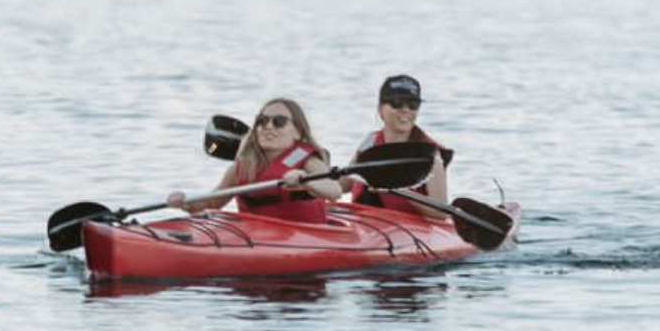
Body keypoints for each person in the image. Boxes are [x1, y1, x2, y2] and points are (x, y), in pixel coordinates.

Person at [169, 98, 343, 224]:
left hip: (305, 235)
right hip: (257, 236)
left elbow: (334, 191)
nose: (268, 126)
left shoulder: (309, 162)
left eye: (279, 122)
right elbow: (211, 203)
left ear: (297, 132)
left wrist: (306, 182)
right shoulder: (242, 168)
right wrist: (186, 203)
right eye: (262, 121)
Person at [349, 73, 452, 211]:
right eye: (397, 103)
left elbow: (441, 212)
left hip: (409, 227)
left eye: (413, 105)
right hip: (365, 223)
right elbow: (343, 184)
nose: (405, 110)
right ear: (380, 109)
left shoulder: (431, 156)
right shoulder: (370, 142)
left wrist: (397, 190)